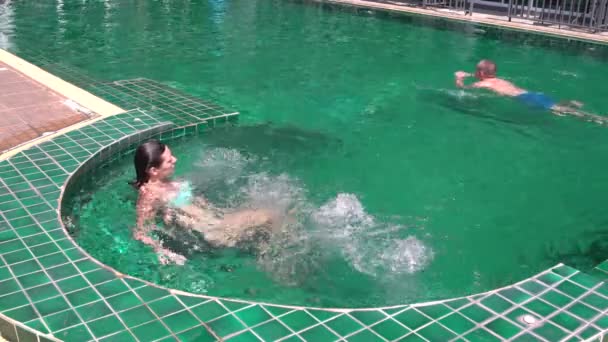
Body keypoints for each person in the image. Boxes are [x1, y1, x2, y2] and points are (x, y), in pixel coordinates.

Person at [132, 140, 275, 264]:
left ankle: (265, 255)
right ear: (153, 170)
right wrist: (163, 251)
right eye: (169, 160)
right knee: (273, 215)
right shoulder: (150, 195)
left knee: (270, 223)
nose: (175, 160)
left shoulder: (164, 183)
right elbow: (140, 232)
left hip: (218, 220)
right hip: (216, 230)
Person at [455, 59, 605, 123]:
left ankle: (601, 119)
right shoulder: (499, 80)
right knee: (557, 105)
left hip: (528, 100)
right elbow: (485, 76)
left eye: (476, 71)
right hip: (535, 94)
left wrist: (459, 79)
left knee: (567, 113)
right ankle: (572, 102)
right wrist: (469, 74)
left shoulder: (484, 85)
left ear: (481, 73)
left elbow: (464, 90)